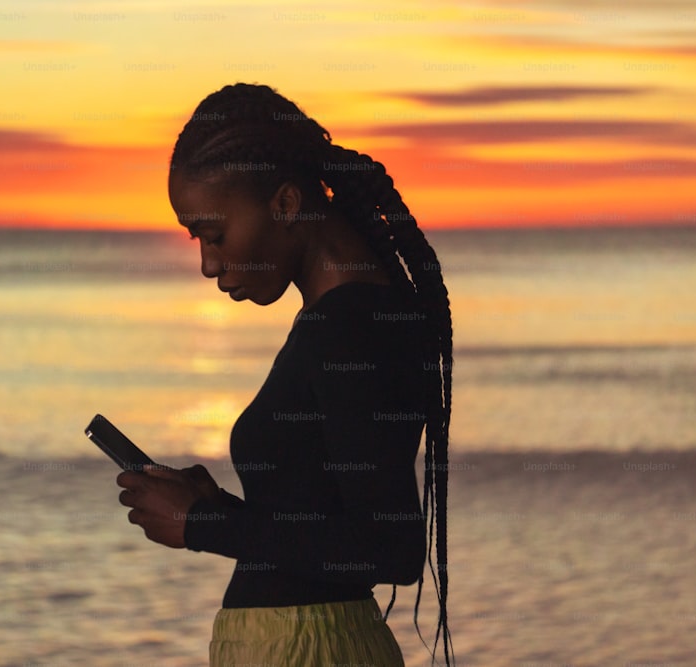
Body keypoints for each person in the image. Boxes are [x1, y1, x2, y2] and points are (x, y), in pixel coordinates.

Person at [117, 83, 455, 666]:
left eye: (215, 234)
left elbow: (389, 545)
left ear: (286, 204)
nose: (207, 264)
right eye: (197, 239)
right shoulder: (341, 318)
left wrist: (204, 525)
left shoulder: (350, 326)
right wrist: (219, 509)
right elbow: (329, 527)